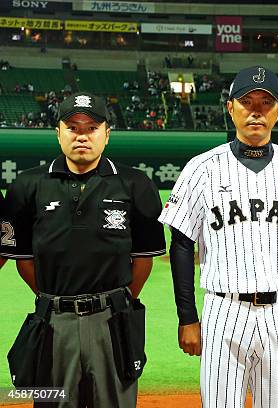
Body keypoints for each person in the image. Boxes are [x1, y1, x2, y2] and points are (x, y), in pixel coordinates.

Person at [158, 65, 278, 408]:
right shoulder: (202, 168)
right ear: (230, 107)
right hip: (223, 310)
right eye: (246, 101)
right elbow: (180, 244)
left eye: (266, 103)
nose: (256, 110)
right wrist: (187, 317)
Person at [2, 92, 166, 407]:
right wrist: (55, 299)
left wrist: (118, 300)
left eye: (91, 128)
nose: (82, 136)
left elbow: (143, 259)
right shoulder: (27, 186)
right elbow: (22, 259)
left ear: (106, 134)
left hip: (113, 321)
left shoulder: (135, 184)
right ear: (58, 133)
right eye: (73, 127)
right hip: (53, 324)